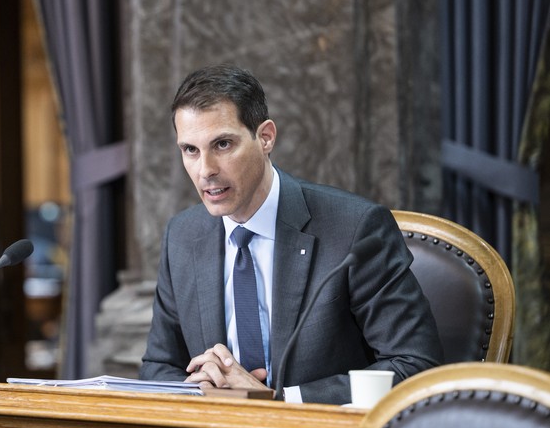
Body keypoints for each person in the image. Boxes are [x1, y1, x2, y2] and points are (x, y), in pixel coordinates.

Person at [139, 64, 443, 404]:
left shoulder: (355, 229)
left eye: (222, 144)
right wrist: (205, 391)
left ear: (266, 137)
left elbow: (415, 365)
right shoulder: (182, 236)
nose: (205, 169)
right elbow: (159, 366)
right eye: (190, 150)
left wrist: (277, 401)